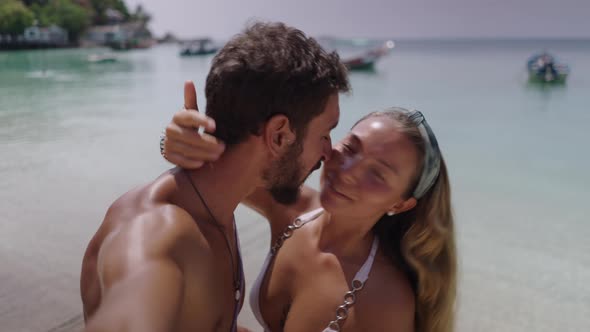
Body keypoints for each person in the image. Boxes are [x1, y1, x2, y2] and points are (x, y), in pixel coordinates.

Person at [80, 22, 350, 332]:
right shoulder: (158, 234)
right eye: (326, 133)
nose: (330, 151)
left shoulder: (218, 198)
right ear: (279, 135)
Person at [163, 106, 457, 331]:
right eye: (351, 147)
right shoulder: (296, 209)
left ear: (400, 203)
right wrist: (177, 142)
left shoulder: (384, 302)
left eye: (377, 173)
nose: (349, 170)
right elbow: (214, 165)